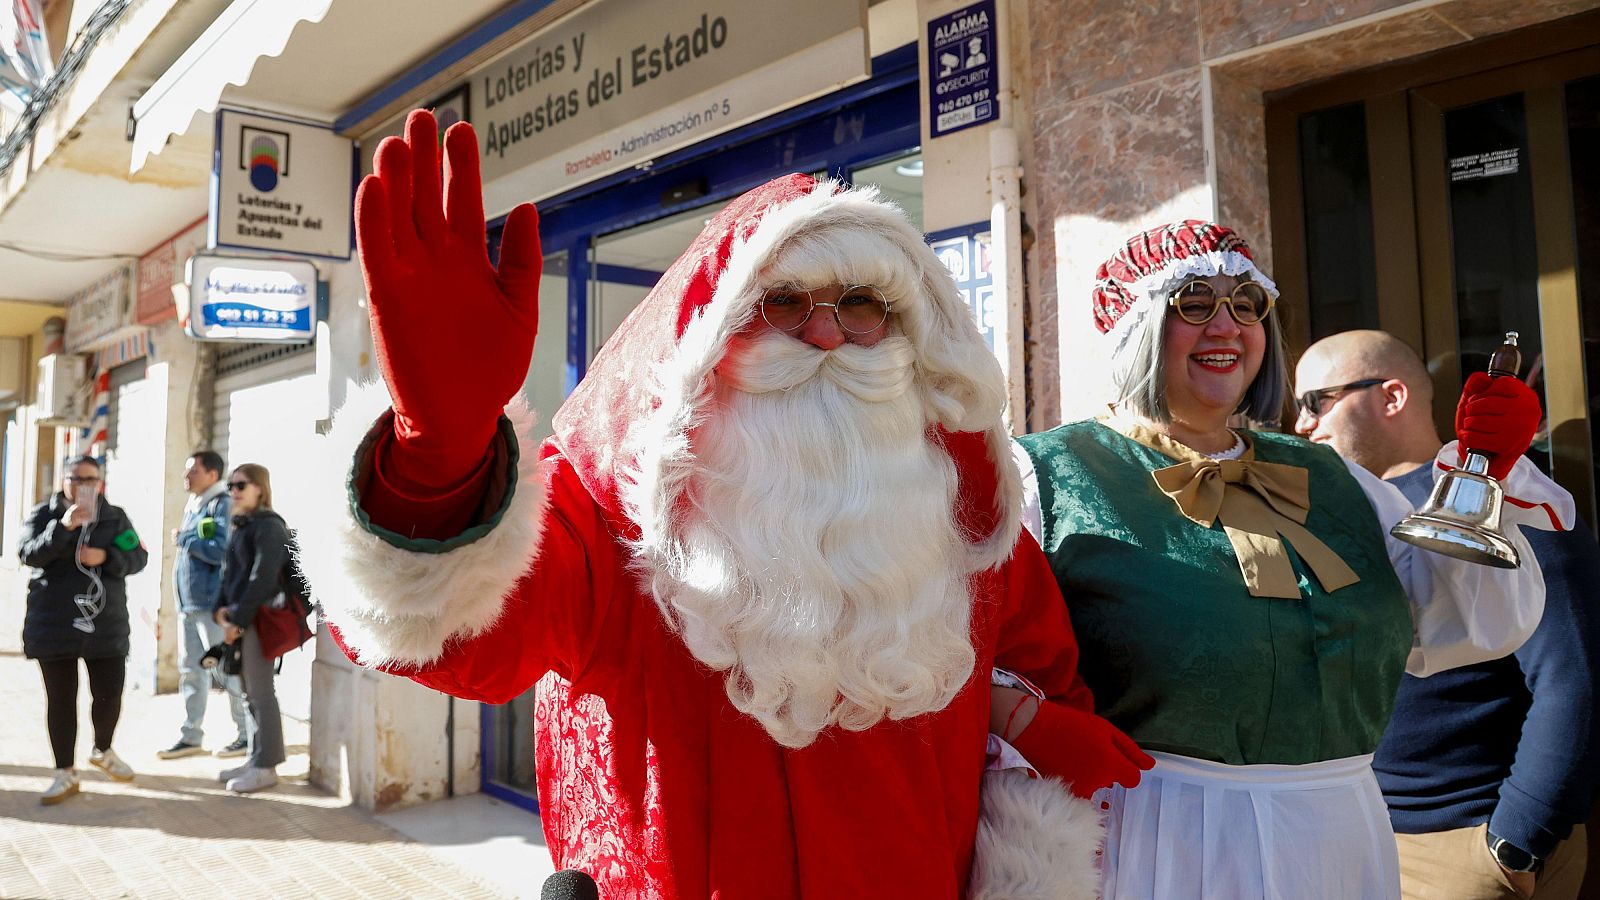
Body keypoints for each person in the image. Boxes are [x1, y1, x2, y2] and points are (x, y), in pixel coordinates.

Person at [299, 109, 1149, 898]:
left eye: (862, 309)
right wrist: (437, 462)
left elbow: (1031, 663)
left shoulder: (963, 527)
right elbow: (463, 642)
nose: (824, 335)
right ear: (711, 339)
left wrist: (1032, 727)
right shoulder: (612, 521)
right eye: (783, 304)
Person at [1010, 221, 1572, 899]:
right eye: (1194, 303)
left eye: (1246, 304)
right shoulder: (1045, 475)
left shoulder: (1336, 478)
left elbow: (1458, 624)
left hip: (1338, 838)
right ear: (1136, 328)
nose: (1228, 327)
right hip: (1158, 837)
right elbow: (981, 668)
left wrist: (1484, 473)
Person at [1295, 329, 1599, 900]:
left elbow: (1572, 677)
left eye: (1316, 401)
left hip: (1462, 845)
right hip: (1362, 836)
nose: (1302, 424)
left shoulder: (1506, 497)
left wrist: (1515, 844)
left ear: (1391, 396)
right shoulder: (1349, 512)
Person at [19, 455, 148, 805]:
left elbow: (138, 557)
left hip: (105, 624)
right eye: (76, 478)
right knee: (60, 701)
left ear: (100, 483)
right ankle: (64, 772)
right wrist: (63, 527)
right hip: (54, 623)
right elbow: (28, 554)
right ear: (64, 480)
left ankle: (103, 749)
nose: (83, 486)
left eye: (90, 479)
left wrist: (107, 558)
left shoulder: (114, 517)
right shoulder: (43, 515)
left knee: (109, 696)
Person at [158, 450, 250, 760]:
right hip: (190, 603)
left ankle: (246, 734)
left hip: (212, 605)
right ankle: (191, 736)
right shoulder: (195, 504)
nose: (186, 477)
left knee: (226, 669)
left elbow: (221, 549)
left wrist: (185, 539)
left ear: (212, 474)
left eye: (192, 471)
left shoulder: (220, 503)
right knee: (192, 671)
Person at [214, 463, 290, 794]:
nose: (234, 491)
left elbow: (263, 578)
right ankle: (255, 757)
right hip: (241, 620)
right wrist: (220, 610)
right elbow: (230, 574)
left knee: (261, 694)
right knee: (248, 696)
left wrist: (237, 622)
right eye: (231, 485)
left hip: (258, 621)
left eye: (241, 485)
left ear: (260, 487)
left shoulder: (270, 526)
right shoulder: (242, 524)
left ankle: (267, 766)